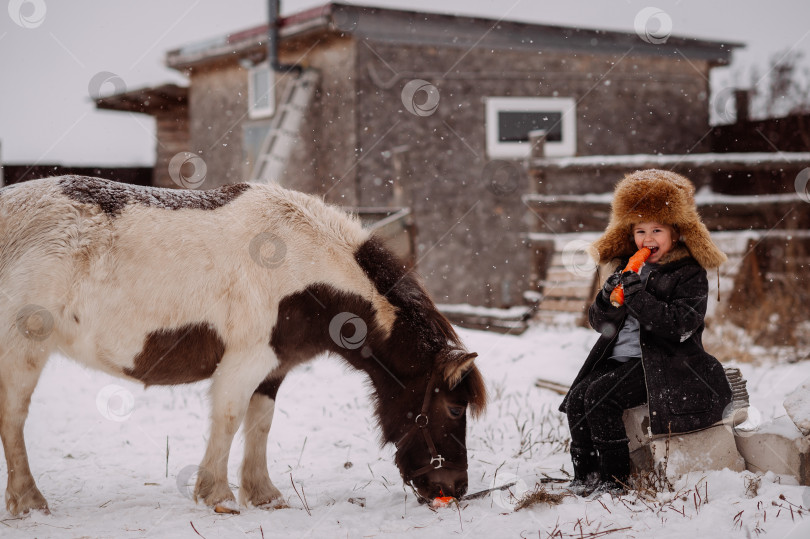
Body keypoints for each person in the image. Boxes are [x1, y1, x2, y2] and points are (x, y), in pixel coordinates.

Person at [559, 169, 733, 496]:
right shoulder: (627, 266)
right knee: (578, 398)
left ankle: (615, 480)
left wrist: (638, 294)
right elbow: (599, 323)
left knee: (600, 398)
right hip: (619, 358)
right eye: (640, 230)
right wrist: (607, 299)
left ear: (677, 232)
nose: (647, 239)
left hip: (663, 363)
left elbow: (680, 325)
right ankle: (586, 476)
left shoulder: (688, 273)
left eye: (657, 230)